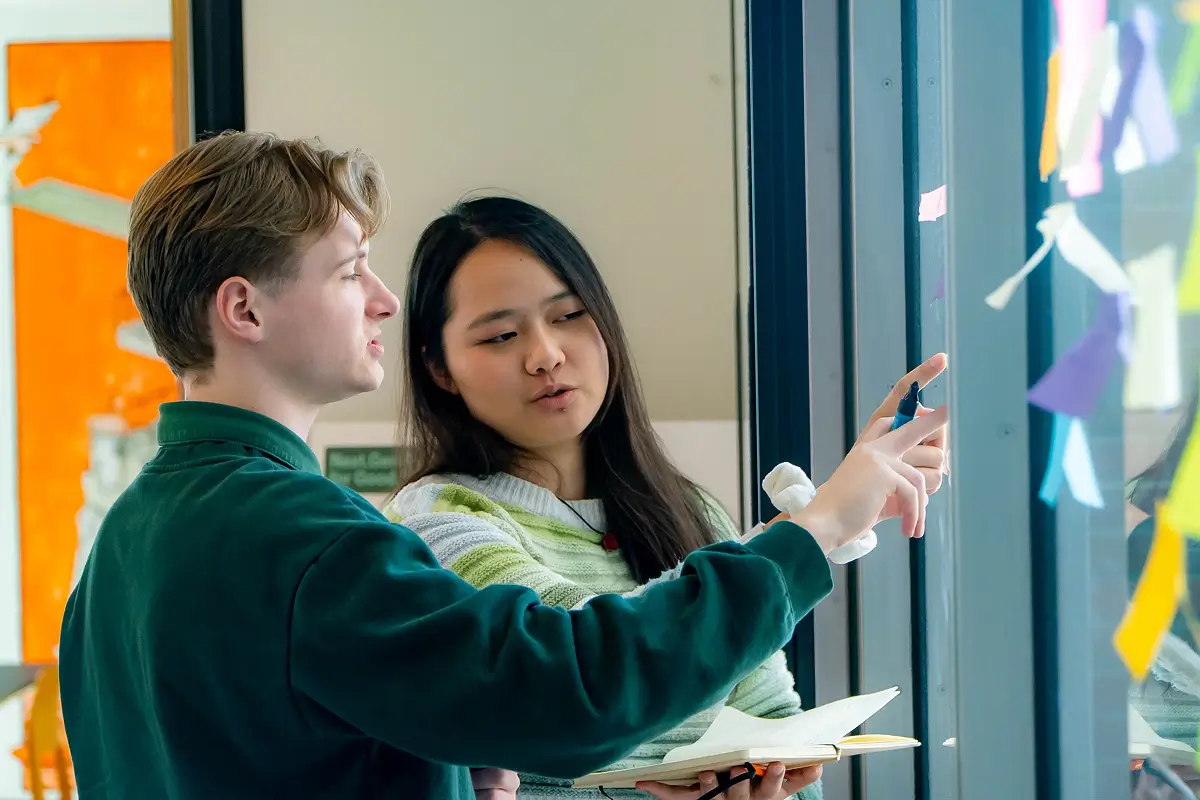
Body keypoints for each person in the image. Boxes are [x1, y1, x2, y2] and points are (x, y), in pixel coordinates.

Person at [57, 132, 947, 799]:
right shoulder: (308, 541)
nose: (382, 299)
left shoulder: (119, 550)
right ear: (243, 310)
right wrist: (820, 527)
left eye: (566, 318)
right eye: (348, 271)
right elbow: (571, 686)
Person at [385, 196, 948, 799]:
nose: (545, 355)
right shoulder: (436, 523)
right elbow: (589, 666)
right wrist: (811, 529)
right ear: (438, 368)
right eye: (500, 334)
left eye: (570, 315)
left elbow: (778, 736)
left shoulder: (693, 514)